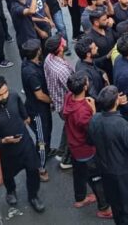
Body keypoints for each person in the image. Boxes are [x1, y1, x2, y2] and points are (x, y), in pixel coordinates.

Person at [87, 86, 128, 225]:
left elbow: (90, 140)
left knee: (117, 207)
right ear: (116, 102)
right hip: (125, 176)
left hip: (106, 172)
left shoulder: (94, 119)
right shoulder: (120, 124)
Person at [0, 76, 45, 213]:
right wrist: (3, 141)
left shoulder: (14, 96)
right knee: (8, 175)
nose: (4, 97)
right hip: (6, 151)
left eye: (5, 92)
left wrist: (24, 120)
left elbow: (24, 114)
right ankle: (11, 191)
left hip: (25, 145)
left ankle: (33, 196)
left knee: (33, 171)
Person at [63, 72, 112, 219]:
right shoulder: (83, 111)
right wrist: (94, 111)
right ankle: (104, 208)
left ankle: (80, 198)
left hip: (73, 145)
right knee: (96, 178)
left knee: (79, 172)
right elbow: (94, 130)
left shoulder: (68, 97)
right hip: (86, 149)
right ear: (85, 87)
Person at [20, 39, 52, 182]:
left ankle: (46, 153)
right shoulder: (31, 73)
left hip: (41, 108)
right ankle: (40, 167)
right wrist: (53, 100)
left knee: (47, 132)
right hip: (37, 111)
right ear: (37, 52)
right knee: (42, 139)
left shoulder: (29, 63)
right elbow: (39, 95)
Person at [43, 35, 74, 169]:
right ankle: (66, 160)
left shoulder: (49, 59)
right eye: (63, 42)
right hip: (65, 104)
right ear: (60, 48)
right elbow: (73, 87)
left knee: (68, 127)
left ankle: (61, 152)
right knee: (72, 130)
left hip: (58, 101)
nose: (65, 42)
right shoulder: (62, 70)